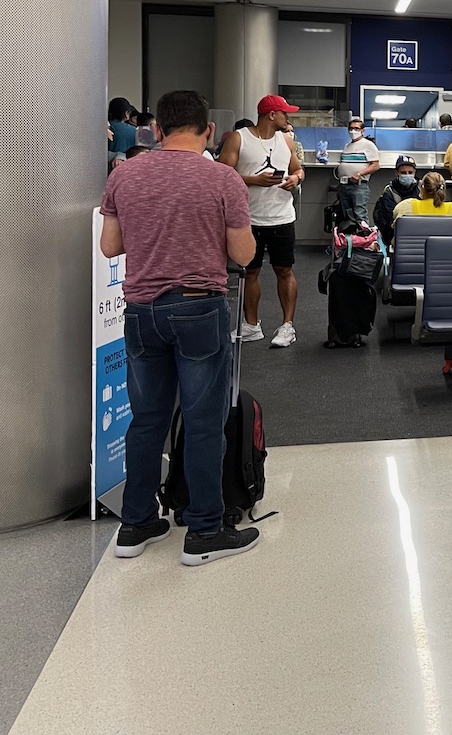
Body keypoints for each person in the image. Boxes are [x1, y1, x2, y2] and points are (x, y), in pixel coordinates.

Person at [99, 89, 260, 565]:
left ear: (155, 129)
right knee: (204, 422)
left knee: (146, 421)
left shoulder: (124, 175)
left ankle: (136, 524)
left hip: (141, 313)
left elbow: (110, 247)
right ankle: (206, 531)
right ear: (209, 130)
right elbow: (244, 255)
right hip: (198, 309)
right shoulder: (223, 180)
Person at [219, 94, 304, 349]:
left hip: (282, 217)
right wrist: (253, 180)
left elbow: (299, 169)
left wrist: (296, 179)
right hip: (250, 219)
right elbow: (222, 175)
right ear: (271, 115)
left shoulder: (286, 140)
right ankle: (251, 325)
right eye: (285, 113)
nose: (288, 118)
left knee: (285, 270)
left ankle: (287, 326)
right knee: (250, 272)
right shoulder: (239, 138)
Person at [391, 171, 452, 243]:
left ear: (422, 189)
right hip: (446, 259)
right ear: (443, 189)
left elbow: (396, 239)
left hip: (411, 259)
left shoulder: (403, 208)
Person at [337, 116, 381, 225]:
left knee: (360, 215)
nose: (353, 131)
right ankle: (351, 240)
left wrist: (359, 173)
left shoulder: (368, 145)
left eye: (356, 128)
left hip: (359, 186)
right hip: (344, 185)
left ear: (363, 131)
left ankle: (364, 240)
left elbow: (375, 165)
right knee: (347, 216)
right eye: (351, 128)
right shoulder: (347, 146)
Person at [374, 156, 422, 243]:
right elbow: (387, 222)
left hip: (420, 232)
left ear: (415, 172)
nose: (407, 175)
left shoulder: (422, 189)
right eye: (403, 173)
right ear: (396, 173)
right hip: (396, 235)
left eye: (410, 172)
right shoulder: (390, 192)